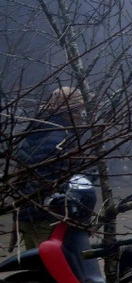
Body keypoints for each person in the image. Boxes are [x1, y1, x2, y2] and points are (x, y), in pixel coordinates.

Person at [13, 87, 89, 249]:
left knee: (37, 266)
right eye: (80, 108)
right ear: (70, 111)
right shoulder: (62, 139)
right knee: (56, 268)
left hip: (27, 214)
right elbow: (69, 178)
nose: (83, 113)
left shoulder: (36, 130)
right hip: (47, 218)